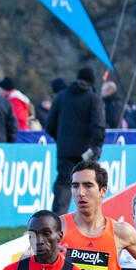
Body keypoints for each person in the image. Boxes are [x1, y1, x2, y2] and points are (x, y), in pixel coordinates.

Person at [45, 68, 102, 213]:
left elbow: (49, 125)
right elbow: (98, 124)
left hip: (65, 149)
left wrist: (61, 140)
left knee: (64, 184)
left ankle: (58, 220)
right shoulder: (93, 98)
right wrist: (97, 146)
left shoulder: (62, 97)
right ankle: (88, 217)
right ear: (91, 82)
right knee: (88, 184)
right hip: (86, 151)